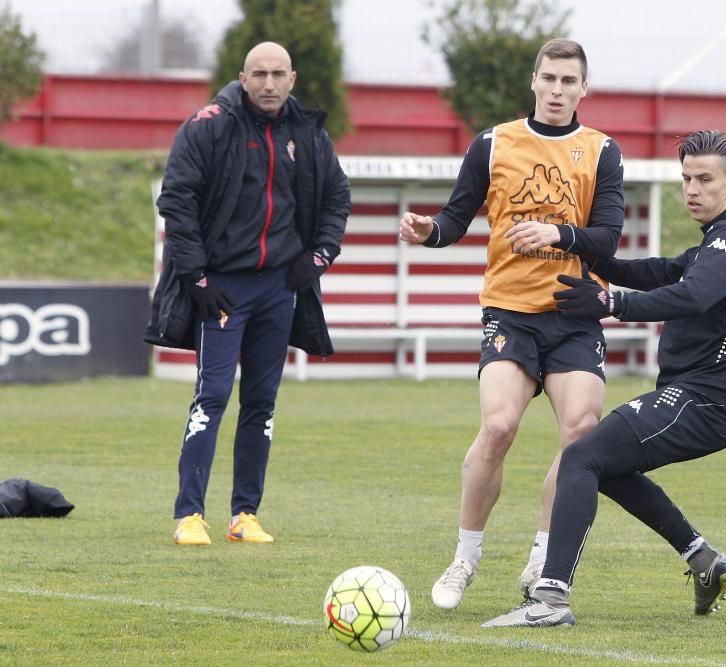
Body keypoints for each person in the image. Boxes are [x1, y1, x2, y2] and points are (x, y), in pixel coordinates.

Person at [482, 129, 726, 627]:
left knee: (581, 457)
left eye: (705, 179)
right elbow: (658, 271)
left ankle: (550, 599)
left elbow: (690, 296)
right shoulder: (718, 241)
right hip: (699, 397)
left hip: (708, 399)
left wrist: (610, 303)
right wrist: (574, 242)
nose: (692, 189)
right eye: (686, 179)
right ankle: (703, 559)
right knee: (607, 468)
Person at [398, 38, 625, 609]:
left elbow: (607, 239)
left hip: (574, 315)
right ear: (533, 80)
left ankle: (545, 553)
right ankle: (464, 557)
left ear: (583, 89)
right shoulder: (493, 143)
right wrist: (431, 234)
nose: (556, 90)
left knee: (581, 432)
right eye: (549, 78)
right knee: (498, 427)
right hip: (510, 314)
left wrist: (558, 234)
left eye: (568, 81)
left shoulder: (601, 152)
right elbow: (456, 217)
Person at [145, 41, 351, 546]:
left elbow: (337, 198)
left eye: (278, 73)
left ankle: (245, 515)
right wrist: (196, 278)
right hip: (222, 289)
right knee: (212, 396)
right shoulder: (209, 124)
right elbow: (176, 200)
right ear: (242, 77)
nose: (268, 83)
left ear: (293, 78)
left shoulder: (308, 131)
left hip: (278, 289)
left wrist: (319, 256)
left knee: (261, 402)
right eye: (258, 73)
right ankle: (189, 515)